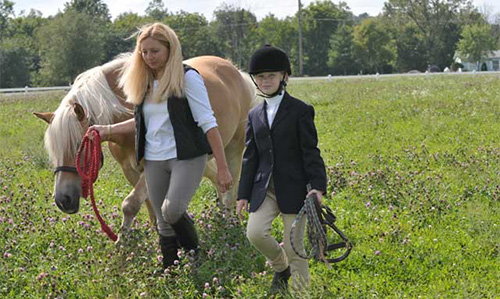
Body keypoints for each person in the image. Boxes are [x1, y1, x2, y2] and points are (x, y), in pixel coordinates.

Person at [89, 22, 233, 269]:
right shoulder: (143, 82)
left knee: (173, 210)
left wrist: (222, 167)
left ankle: (196, 256)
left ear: (170, 49)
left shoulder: (188, 78)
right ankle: (170, 270)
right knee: (162, 222)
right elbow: (141, 122)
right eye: (144, 52)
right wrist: (107, 131)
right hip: (154, 159)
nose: (149, 57)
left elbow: (208, 123)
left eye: (154, 51)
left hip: (187, 156)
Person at [237, 45, 327, 293]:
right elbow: (250, 157)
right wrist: (243, 193)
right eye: (261, 77)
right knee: (254, 233)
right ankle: (280, 266)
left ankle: (301, 292)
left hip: (295, 189)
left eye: (271, 76)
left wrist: (318, 187)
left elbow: (311, 151)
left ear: (284, 76)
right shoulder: (254, 114)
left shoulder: (300, 111)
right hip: (265, 189)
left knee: (294, 246)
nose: (266, 81)